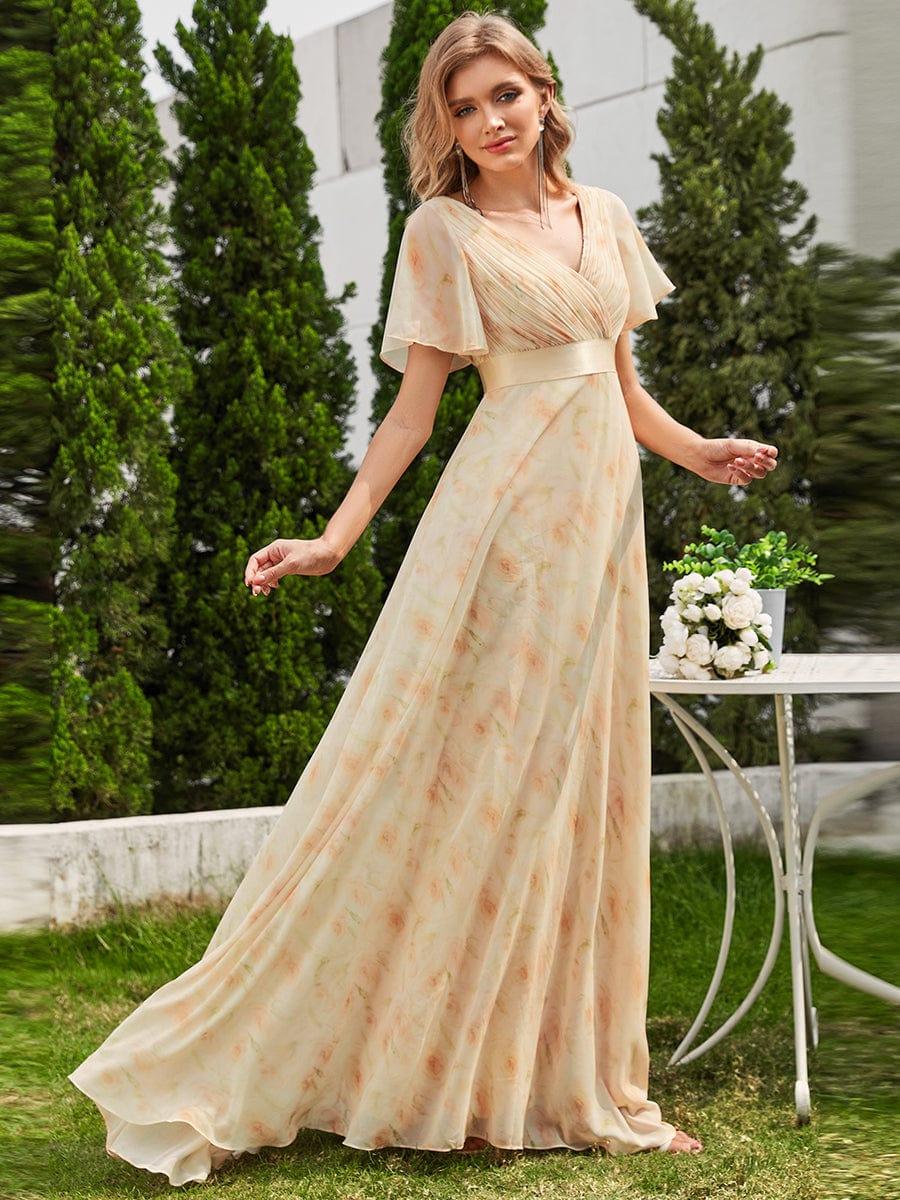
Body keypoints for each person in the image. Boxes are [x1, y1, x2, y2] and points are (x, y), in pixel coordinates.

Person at [67, 11, 778, 1185]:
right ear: (443, 128)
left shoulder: (604, 217)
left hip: (600, 534)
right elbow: (415, 413)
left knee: (569, 789)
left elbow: (618, 388)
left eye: (505, 95)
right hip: (501, 525)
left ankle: (536, 1076)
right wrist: (335, 539)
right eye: (463, 107)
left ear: (544, 95)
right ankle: (427, 1063)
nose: (489, 120)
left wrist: (700, 453)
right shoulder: (443, 231)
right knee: (471, 780)